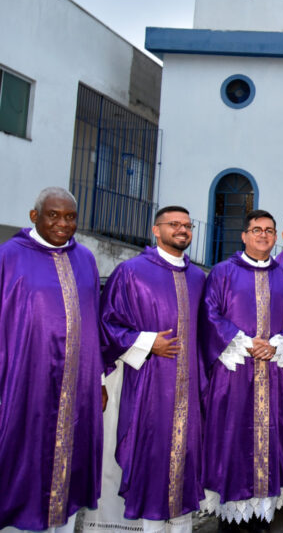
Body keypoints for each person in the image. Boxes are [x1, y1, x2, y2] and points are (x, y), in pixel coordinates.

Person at [87, 205, 207, 533]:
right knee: (151, 456)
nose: (182, 230)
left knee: (184, 458)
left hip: (188, 390)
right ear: (156, 230)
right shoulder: (131, 272)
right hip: (148, 386)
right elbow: (107, 324)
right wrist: (148, 342)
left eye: (187, 225)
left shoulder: (198, 277)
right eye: (174, 224)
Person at [0, 187, 103, 532]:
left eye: (70, 217)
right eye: (53, 215)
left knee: (72, 465)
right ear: (35, 216)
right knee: (22, 461)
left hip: (78, 385)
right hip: (26, 381)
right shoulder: (9, 256)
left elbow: (94, 320)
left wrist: (99, 379)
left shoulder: (85, 259)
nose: (63, 224)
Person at [200, 210, 283, 533]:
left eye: (269, 230)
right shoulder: (222, 272)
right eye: (256, 229)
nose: (263, 235)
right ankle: (229, 514)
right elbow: (210, 314)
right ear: (244, 235)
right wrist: (244, 343)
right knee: (231, 437)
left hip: (273, 373)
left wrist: (276, 344)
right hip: (233, 374)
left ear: (276, 237)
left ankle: (261, 514)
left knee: (271, 438)